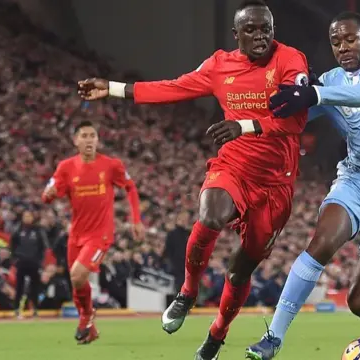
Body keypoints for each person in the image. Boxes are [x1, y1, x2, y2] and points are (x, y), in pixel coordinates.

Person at [77, 1, 309, 358]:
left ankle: (216, 335)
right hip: (234, 166)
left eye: (266, 29)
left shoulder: (291, 60)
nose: (261, 36)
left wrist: (244, 125)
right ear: (236, 35)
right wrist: (111, 87)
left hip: (276, 183)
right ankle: (187, 291)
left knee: (237, 274)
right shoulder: (220, 65)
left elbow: (295, 121)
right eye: (251, 30)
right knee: (211, 213)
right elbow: (172, 87)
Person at [245, 11, 360, 360]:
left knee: (359, 302)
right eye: (336, 41)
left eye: (350, 38)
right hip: (356, 179)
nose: (343, 46)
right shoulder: (328, 81)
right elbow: (289, 116)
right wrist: (244, 122)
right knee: (321, 243)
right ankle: (273, 339)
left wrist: (316, 94)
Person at [42, 120, 144, 345]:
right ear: (75, 140)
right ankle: (90, 328)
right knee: (76, 281)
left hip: (101, 234)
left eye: (92, 136)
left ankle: (86, 316)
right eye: (84, 136)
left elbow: (130, 187)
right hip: (76, 234)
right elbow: (50, 194)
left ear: (98, 140)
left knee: (78, 274)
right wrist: (48, 194)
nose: (89, 140)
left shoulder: (110, 165)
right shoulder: (66, 167)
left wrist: (136, 220)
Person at [11, 210, 47, 318]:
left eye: (29, 216)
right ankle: (17, 309)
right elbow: (12, 246)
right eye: (25, 216)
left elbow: (43, 247)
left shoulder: (38, 231)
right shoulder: (17, 229)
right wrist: (15, 259)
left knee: (34, 288)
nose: (27, 218)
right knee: (19, 288)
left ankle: (35, 309)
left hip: (34, 263)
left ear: (32, 217)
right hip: (21, 263)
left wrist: (40, 261)